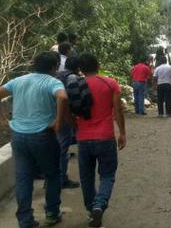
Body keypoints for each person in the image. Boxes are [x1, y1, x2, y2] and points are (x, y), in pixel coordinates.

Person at [0, 52, 68, 227]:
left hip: (19, 137)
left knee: (23, 178)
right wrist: (58, 121)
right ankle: (52, 213)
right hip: (43, 135)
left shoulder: (19, 81)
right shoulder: (53, 82)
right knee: (52, 175)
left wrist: (3, 120)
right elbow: (62, 96)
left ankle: (25, 220)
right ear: (54, 67)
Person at [76, 52, 127, 228]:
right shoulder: (110, 83)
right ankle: (99, 205)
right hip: (105, 137)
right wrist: (122, 133)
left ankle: (92, 211)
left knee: (86, 177)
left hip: (83, 139)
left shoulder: (76, 85)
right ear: (98, 65)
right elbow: (118, 110)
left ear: (80, 69)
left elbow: (69, 111)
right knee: (107, 175)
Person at [56, 57, 90, 190]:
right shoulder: (73, 78)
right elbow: (76, 101)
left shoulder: (57, 76)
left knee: (55, 148)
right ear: (78, 67)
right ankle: (61, 179)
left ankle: (52, 178)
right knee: (62, 149)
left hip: (51, 116)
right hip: (65, 117)